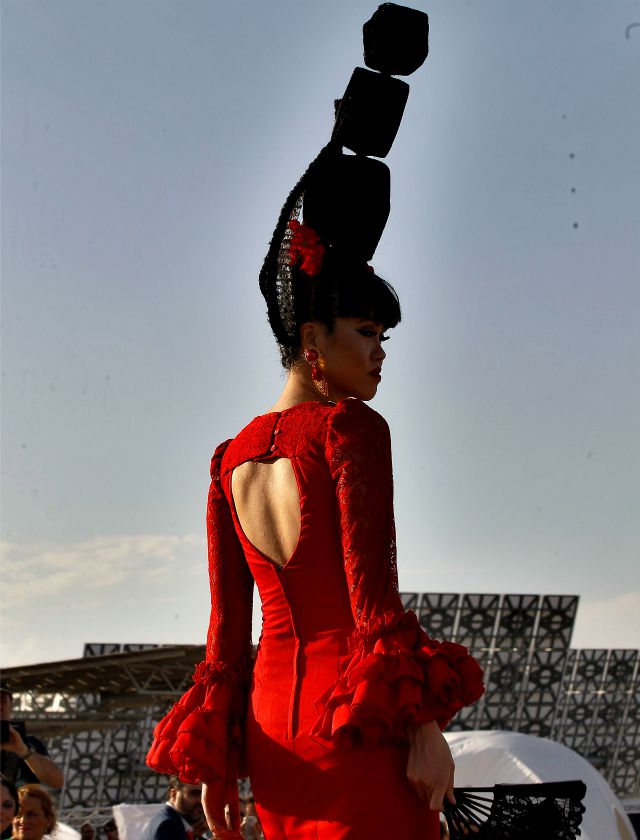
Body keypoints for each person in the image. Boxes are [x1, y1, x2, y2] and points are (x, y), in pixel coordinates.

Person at [146, 5, 484, 838]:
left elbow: (227, 641)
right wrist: (427, 728)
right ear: (312, 339)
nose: (380, 354)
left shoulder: (229, 458)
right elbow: (374, 604)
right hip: (354, 728)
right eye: (366, 332)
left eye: (383, 336)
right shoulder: (350, 433)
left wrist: (214, 767)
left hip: (270, 738)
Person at [0, 684, 64, 790]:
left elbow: (57, 782)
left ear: (10, 707)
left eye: (2, 701)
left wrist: (24, 751)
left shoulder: (28, 743)